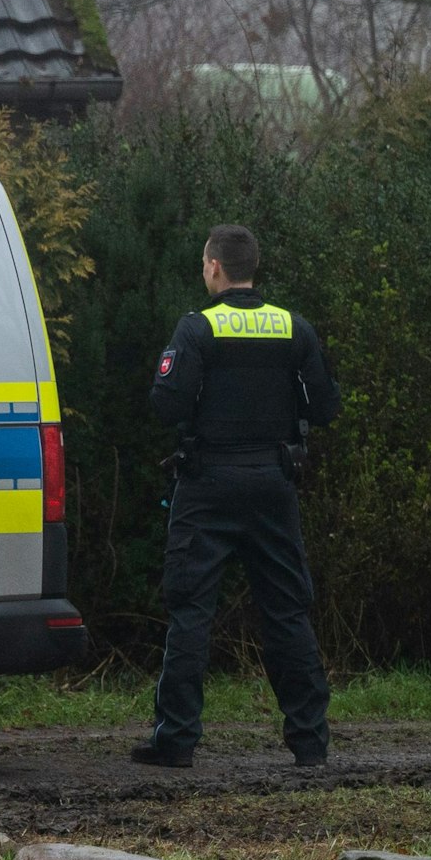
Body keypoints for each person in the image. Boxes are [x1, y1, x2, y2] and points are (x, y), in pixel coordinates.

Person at [135, 224, 341, 769]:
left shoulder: (197, 329)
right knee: (287, 611)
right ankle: (310, 742)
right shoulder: (294, 328)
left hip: (207, 486)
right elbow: (324, 408)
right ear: (254, 268)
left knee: (191, 611)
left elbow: (167, 406)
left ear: (213, 267)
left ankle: (176, 741)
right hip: (274, 485)